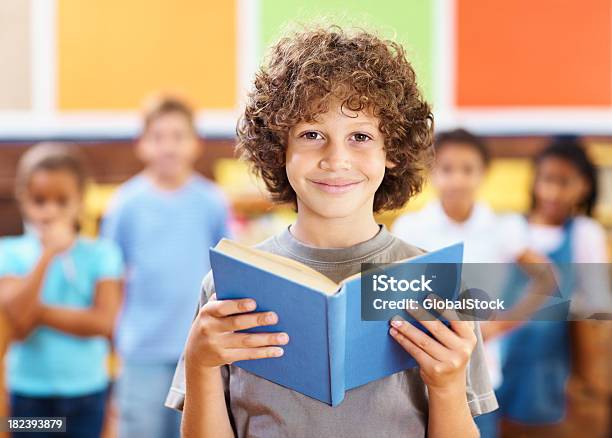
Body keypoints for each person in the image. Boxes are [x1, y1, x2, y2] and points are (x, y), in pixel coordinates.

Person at [165, 27, 497, 438]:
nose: (336, 159)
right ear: (278, 147)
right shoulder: (227, 286)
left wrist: (446, 386)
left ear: (391, 152)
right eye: (311, 135)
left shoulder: (440, 285)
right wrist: (200, 365)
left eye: (360, 136)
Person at [392, 128, 549, 437]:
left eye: (468, 170)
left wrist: (499, 326)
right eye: (447, 169)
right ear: (431, 172)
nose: (458, 180)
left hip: (481, 375)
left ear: (483, 173)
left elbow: (545, 280)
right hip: (416, 369)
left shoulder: (504, 228)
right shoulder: (411, 227)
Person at [101, 95, 231, 438]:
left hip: (197, 348)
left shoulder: (212, 201)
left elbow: (226, 269)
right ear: (142, 144)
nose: (168, 147)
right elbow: (109, 276)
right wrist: (113, 337)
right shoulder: (125, 204)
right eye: (158, 137)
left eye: (178, 136)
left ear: (195, 143)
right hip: (141, 348)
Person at [0, 143, 123, 438]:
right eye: (39, 200)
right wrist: (47, 255)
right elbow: (16, 326)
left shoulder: (102, 254)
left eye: (61, 200)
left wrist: (37, 313)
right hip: (28, 395)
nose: (49, 210)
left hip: (88, 391)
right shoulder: (9, 253)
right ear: (23, 199)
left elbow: (103, 322)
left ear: (79, 200)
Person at [496, 138, 612, 436]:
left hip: (552, 363)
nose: (553, 191)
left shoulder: (585, 233)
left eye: (565, 182)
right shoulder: (510, 226)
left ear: (584, 186)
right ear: (535, 181)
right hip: (502, 351)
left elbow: (597, 304)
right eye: (547, 179)